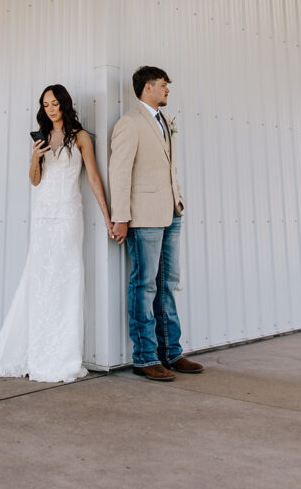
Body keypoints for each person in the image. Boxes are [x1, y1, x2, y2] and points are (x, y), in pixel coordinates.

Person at [0, 84, 113, 383]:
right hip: (42, 214)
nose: (50, 108)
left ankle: (60, 353)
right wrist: (34, 157)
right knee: (38, 279)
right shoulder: (41, 138)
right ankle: (34, 347)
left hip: (67, 214)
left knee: (65, 277)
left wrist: (107, 217)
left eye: (54, 103)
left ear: (64, 104)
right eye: (45, 104)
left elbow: (92, 176)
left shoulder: (80, 138)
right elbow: (35, 181)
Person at [109, 66, 204, 381]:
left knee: (167, 285)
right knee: (145, 284)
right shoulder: (129, 123)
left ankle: (171, 353)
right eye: (163, 85)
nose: (167, 90)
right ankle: (145, 357)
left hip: (171, 212)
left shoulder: (165, 121)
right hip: (143, 217)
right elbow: (119, 173)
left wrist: (179, 200)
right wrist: (120, 218)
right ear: (147, 88)